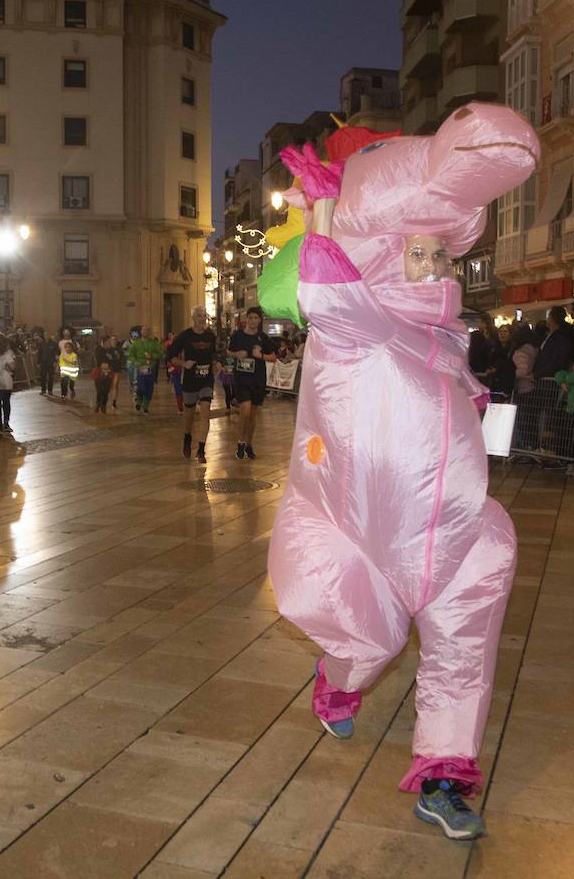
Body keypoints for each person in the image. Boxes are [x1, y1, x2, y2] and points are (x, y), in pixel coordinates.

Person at [267, 113, 534, 841]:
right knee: (368, 642)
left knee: (463, 649)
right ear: (386, 254)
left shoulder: (448, 345)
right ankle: (336, 686)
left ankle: (445, 776)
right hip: (363, 536)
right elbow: (325, 297)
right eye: (420, 253)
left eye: (441, 256)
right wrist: (322, 207)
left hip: (452, 534)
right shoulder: (361, 325)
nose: (436, 268)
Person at [167, 305, 219, 463]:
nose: (202, 318)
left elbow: (214, 354)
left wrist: (217, 363)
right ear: (193, 318)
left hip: (206, 380)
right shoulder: (184, 336)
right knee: (188, 414)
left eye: (204, 315)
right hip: (190, 380)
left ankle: (201, 450)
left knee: (205, 412)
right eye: (198, 315)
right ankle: (187, 437)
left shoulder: (210, 336)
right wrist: (183, 363)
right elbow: (171, 357)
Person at [228, 305, 279, 459]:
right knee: (245, 409)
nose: (253, 320)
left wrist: (261, 356)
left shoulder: (263, 338)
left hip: (258, 379)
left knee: (253, 414)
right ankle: (240, 441)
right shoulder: (238, 336)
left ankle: (249, 443)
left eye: (256, 318)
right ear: (246, 319)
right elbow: (228, 352)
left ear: (259, 320)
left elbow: (274, 357)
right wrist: (237, 354)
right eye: (250, 317)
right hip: (242, 378)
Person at [532, 305, 574, 380]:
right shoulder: (550, 336)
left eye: (548, 316)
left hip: (551, 379)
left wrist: (537, 374)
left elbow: (555, 362)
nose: (547, 319)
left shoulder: (560, 339)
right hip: (544, 376)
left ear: (552, 318)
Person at [128, 328, 164, 412]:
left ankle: (146, 406)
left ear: (150, 332)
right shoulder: (136, 343)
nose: (145, 332)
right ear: (141, 332)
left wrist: (152, 356)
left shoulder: (155, 343)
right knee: (141, 386)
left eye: (147, 330)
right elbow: (131, 355)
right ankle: (139, 401)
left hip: (151, 368)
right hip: (140, 368)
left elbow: (161, 354)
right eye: (144, 330)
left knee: (149, 387)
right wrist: (135, 362)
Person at [93, 333, 115, 413]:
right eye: (108, 342)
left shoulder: (111, 350)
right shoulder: (98, 349)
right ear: (104, 342)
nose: (110, 343)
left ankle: (103, 405)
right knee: (99, 390)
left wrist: (111, 359)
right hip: (98, 372)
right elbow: (97, 360)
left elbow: (114, 361)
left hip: (108, 372)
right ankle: (98, 403)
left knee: (106, 390)